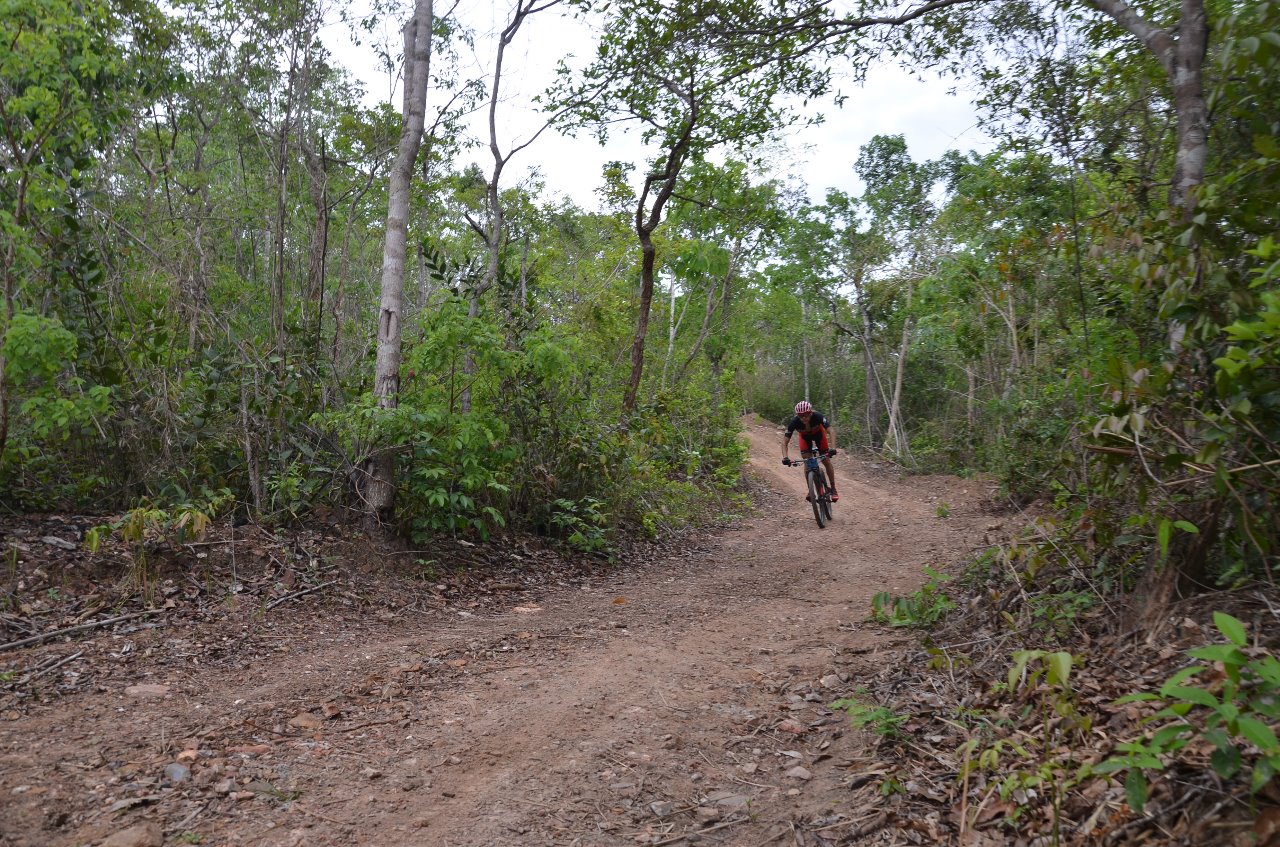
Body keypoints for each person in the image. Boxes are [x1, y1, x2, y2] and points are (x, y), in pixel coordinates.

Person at [782, 401, 839, 502]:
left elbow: (831, 430)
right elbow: (784, 442)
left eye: (806, 414)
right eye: (800, 415)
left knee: (826, 460)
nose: (804, 418)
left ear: (811, 413)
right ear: (797, 415)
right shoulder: (794, 422)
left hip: (819, 436)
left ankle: (833, 488)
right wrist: (785, 457)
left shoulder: (818, 416)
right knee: (807, 461)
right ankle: (811, 490)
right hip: (804, 438)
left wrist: (833, 448)